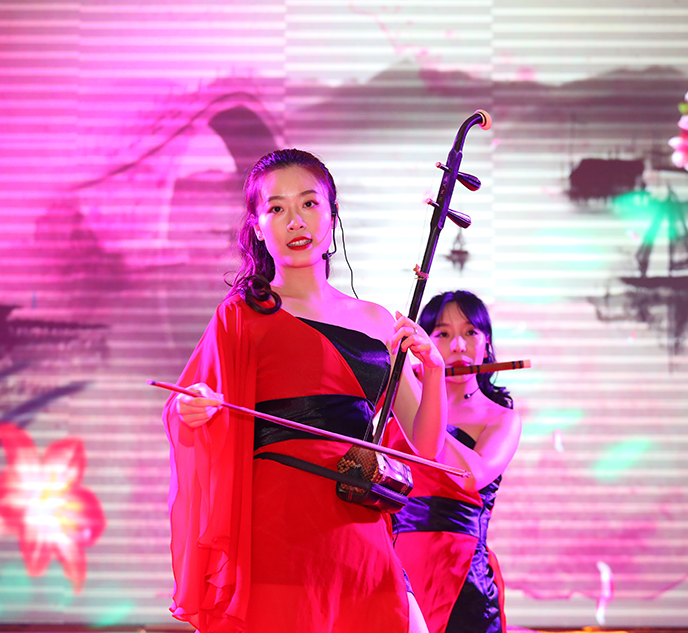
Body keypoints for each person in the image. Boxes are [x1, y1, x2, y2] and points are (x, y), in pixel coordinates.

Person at [161, 148, 447, 633]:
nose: (296, 221)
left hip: (358, 522)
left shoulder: (379, 321)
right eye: (277, 208)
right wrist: (190, 409)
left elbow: (426, 447)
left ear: (332, 215)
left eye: (310, 204)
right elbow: (187, 401)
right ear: (257, 227)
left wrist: (434, 371)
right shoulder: (241, 315)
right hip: (276, 526)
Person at [389, 290, 522, 633]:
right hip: (393, 566)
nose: (458, 346)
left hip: (462, 575)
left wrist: (417, 410)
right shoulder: (395, 402)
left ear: (487, 344)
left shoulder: (501, 418)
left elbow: (471, 475)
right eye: (443, 334)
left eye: (470, 332)